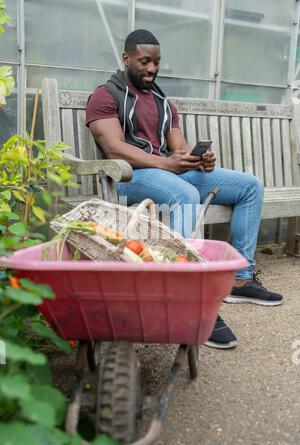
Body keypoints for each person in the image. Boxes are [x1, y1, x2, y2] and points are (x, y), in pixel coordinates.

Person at [86, 29, 283, 349]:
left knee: (250, 186)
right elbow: (115, 149)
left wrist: (197, 159)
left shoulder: (163, 101)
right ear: (126, 59)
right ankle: (186, 300)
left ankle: (241, 279)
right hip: (128, 179)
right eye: (145, 61)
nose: (152, 69)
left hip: (168, 175)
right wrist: (167, 164)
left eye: (157, 63)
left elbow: (178, 148)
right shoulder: (106, 95)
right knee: (186, 195)